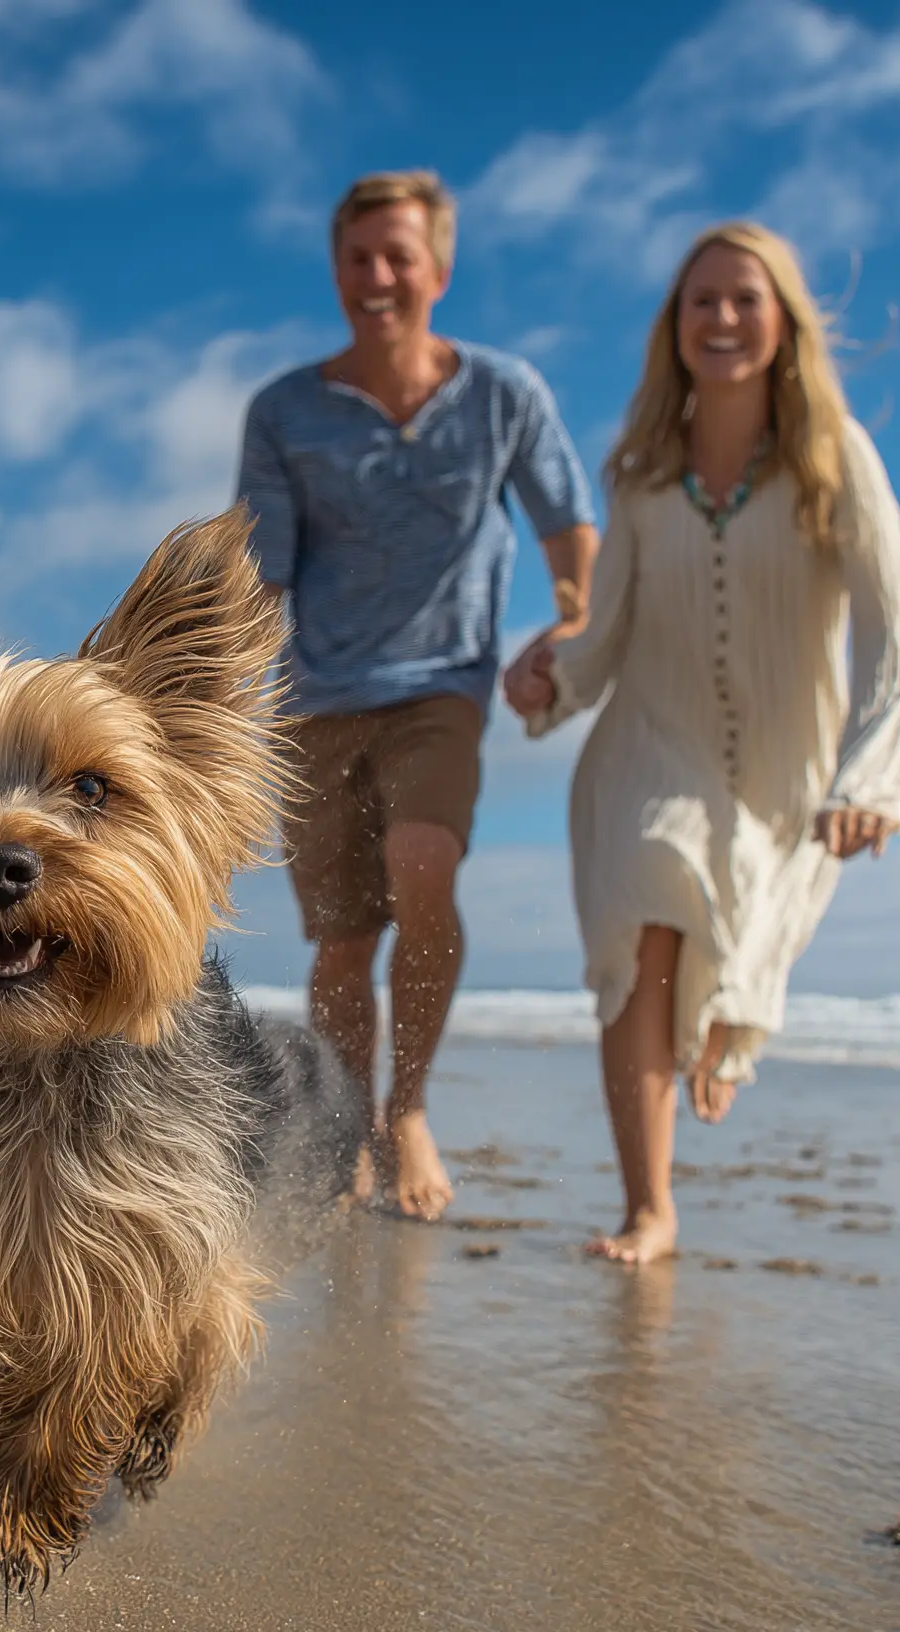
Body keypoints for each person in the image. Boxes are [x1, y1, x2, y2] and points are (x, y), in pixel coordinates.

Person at [508, 221, 900, 1266]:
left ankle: (722, 1014)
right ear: (674, 326)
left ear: (783, 322)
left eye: (746, 298)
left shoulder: (833, 459)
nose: (724, 317)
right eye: (702, 300)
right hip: (649, 741)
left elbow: (893, 626)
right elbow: (604, 634)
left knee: (721, 935)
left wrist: (873, 774)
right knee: (648, 912)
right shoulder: (642, 477)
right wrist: (550, 678)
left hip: (783, 771)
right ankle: (648, 1207)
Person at [237, 170, 600, 1222]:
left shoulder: (503, 393)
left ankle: (408, 1110)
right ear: (335, 272)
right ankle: (348, 1122)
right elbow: (259, 578)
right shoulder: (283, 412)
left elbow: (567, 525)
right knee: (344, 940)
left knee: (424, 863)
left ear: (437, 269)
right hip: (314, 701)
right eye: (357, 258)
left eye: (398, 256)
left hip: (441, 687)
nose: (377, 277)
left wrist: (571, 621)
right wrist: (219, 701)